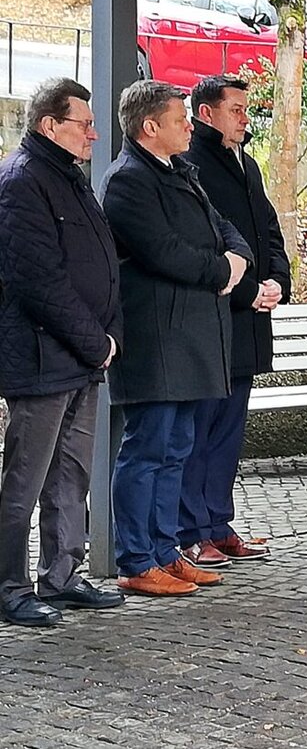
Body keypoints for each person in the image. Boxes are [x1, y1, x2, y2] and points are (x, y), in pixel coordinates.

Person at [101, 80, 254, 596]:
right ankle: (136, 559)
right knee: (147, 448)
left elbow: (225, 228)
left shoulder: (181, 172)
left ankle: (167, 550)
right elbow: (162, 251)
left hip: (191, 336)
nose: (190, 125)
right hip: (156, 337)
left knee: (177, 448)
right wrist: (221, 272)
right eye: (180, 118)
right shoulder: (126, 182)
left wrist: (233, 259)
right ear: (150, 127)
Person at [0, 78, 125, 627]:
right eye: (84, 123)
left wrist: (107, 336)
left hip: (80, 357)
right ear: (50, 125)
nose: (95, 134)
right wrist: (96, 341)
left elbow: (103, 264)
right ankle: (9, 586)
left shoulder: (68, 179)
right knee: (25, 478)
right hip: (40, 357)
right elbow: (38, 281)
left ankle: (62, 575)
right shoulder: (22, 181)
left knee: (71, 474)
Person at [178, 75, 291, 567]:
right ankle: (191, 530)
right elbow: (206, 242)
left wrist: (278, 280)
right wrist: (249, 290)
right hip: (215, 316)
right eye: (237, 110)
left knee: (229, 431)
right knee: (199, 431)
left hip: (249, 319)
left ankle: (219, 523)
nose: (247, 118)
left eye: (247, 110)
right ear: (206, 114)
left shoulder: (246, 162)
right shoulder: (191, 165)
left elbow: (267, 228)